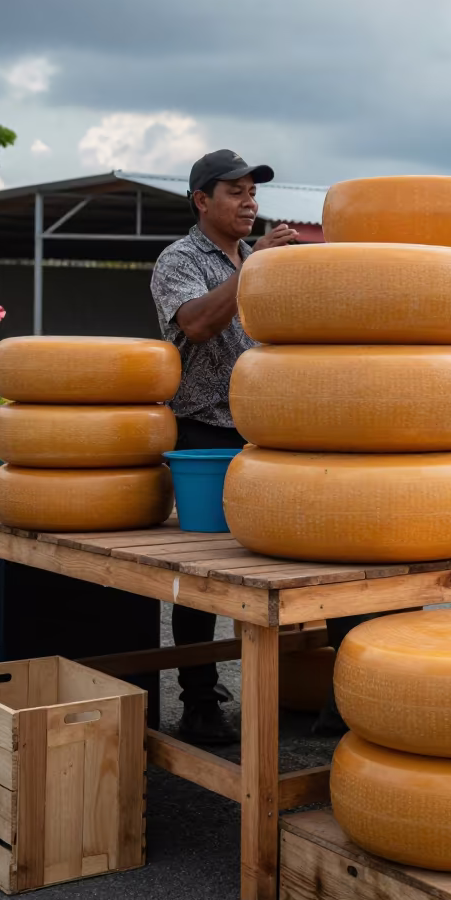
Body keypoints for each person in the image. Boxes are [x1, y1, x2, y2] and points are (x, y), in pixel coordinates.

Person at [150, 150, 298, 744]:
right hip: (204, 431)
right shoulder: (180, 259)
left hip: (268, 433)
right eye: (234, 192)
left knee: (279, 560)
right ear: (202, 201)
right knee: (204, 574)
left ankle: (298, 688)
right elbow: (197, 324)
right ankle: (199, 700)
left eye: (252, 192)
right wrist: (257, 269)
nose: (249, 202)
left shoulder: (261, 261)